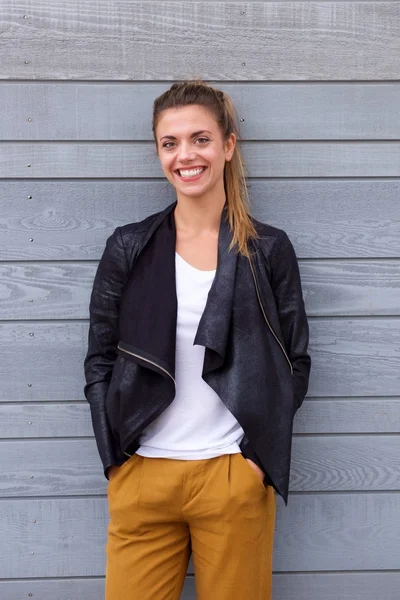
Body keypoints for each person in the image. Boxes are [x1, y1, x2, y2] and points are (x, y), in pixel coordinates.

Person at [84, 80, 311, 600]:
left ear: (229, 146)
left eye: (201, 139)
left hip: (231, 478)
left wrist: (254, 459)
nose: (185, 155)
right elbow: (99, 358)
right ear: (159, 152)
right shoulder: (129, 246)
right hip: (143, 477)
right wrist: (116, 459)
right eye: (170, 142)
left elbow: (294, 361)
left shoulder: (268, 250)